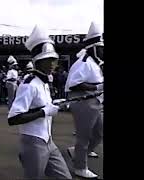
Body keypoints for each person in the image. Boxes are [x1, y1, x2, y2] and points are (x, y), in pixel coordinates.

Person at [8, 25, 72, 179]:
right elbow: (13, 118)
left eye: (53, 60)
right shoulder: (29, 84)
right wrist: (44, 111)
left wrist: (55, 104)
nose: (51, 64)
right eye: (46, 60)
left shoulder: (44, 82)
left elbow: (43, 105)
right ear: (37, 61)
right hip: (33, 142)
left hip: (49, 141)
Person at [65, 22, 104, 178]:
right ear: (93, 48)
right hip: (83, 102)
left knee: (100, 132)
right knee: (84, 136)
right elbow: (73, 85)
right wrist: (97, 87)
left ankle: (77, 153)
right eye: (100, 48)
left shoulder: (95, 63)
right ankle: (79, 167)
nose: (103, 51)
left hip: (95, 102)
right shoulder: (84, 62)